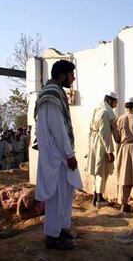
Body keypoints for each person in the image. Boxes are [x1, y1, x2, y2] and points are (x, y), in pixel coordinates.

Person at [34, 60, 82, 250]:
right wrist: (69, 154)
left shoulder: (55, 91)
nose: (73, 78)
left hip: (60, 153)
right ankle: (52, 237)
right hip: (57, 154)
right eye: (71, 74)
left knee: (66, 192)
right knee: (56, 196)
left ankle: (61, 229)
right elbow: (57, 127)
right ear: (62, 74)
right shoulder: (52, 94)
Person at [86, 91, 118, 207]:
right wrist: (110, 151)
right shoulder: (105, 113)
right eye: (115, 102)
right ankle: (99, 198)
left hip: (94, 142)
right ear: (110, 101)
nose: (116, 105)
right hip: (101, 144)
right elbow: (105, 133)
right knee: (101, 171)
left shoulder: (97, 109)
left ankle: (96, 197)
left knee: (96, 171)